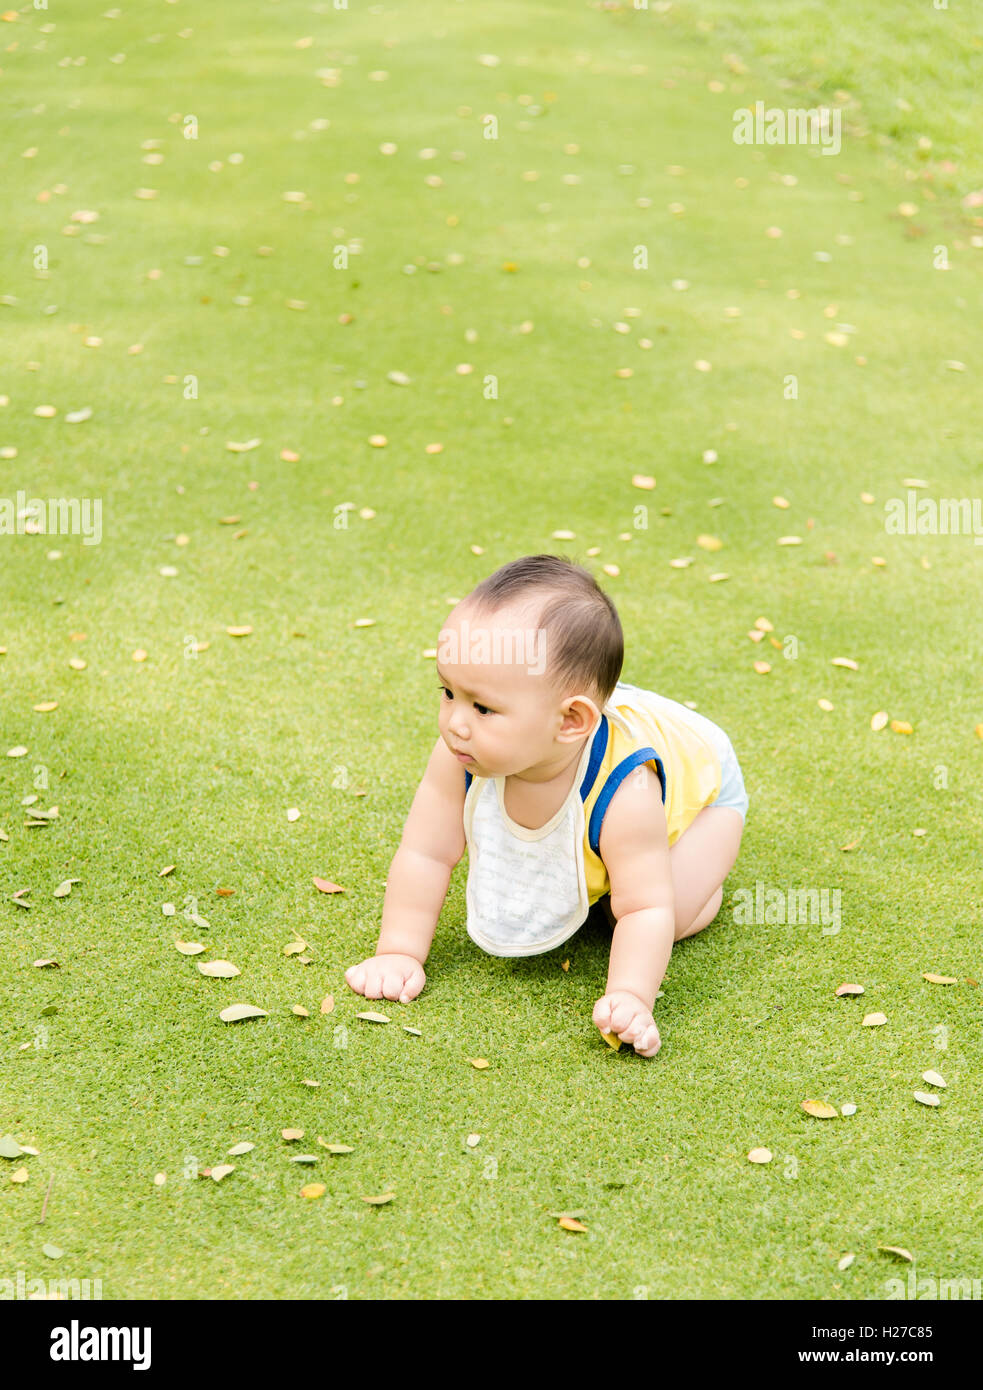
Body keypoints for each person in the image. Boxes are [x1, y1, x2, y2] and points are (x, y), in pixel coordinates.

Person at [344, 554, 748, 1057]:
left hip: (709, 789)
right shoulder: (462, 754)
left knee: (659, 908)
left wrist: (630, 996)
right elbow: (426, 852)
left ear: (570, 721)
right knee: (616, 891)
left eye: (483, 707)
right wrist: (399, 952)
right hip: (571, 727)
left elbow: (647, 907)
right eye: (448, 693)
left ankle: (703, 882)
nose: (455, 723)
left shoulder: (627, 790)